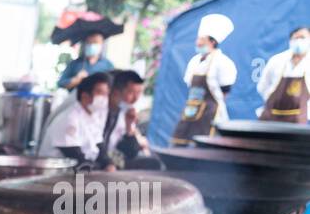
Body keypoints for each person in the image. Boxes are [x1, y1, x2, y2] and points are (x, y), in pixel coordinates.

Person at [170, 12, 237, 145]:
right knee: (181, 140)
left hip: (211, 112)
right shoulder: (194, 61)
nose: (198, 42)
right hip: (191, 109)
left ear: (212, 42)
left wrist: (210, 106)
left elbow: (225, 90)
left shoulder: (222, 62)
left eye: (202, 39)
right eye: (198, 39)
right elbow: (190, 84)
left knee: (206, 143)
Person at [38, 72, 112, 167]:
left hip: (80, 173)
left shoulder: (94, 117)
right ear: (85, 95)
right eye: (100, 93)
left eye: (106, 94)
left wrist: (109, 163)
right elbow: (76, 158)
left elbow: (99, 145)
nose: (104, 98)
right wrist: (101, 167)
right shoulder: (69, 118)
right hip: (57, 174)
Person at [99, 70, 158, 169]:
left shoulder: (123, 112)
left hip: (109, 158)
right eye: (131, 93)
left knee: (152, 162)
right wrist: (107, 163)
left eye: (139, 93)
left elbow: (131, 152)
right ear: (115, 92)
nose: (135, 98)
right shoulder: (99, 111)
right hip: (95, 161)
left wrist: (129, 127)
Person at [257, 25, 309, 123]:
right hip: (271, 116)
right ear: (290, 41)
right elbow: (262, 86)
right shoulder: (277, 60)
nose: (299, 41)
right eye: (295, 38)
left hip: (300, 118)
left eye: (302, 38)